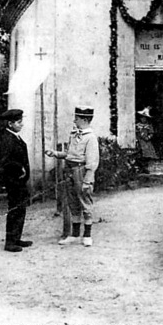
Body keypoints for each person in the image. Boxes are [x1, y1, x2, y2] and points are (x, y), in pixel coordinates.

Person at [46, 106, 99, 247]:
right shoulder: (73, 135)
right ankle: (75, 235)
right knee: (72, 202)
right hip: (70, 170)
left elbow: (92, 161)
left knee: (84, 201)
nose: (74, 120)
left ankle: (87, 235)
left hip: (81, 171)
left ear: (85, 119)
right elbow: (69, 154)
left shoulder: (90, 138)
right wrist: (55, 153)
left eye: (77, 118)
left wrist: (88, 179)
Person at [0, 108, 32, 253]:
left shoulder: (15, 137)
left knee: (20, 209)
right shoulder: (6, 139)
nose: (21, 124)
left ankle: (16, 238)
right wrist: (20, 168)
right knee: (15, 210)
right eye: (19, 122)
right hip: (13, 180)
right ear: (10, 123)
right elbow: (5, 161)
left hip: (19, 181)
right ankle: (10, 242)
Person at [135, 107, 158, 173]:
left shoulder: (149, 125)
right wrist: (138, 136)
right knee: (140, 154)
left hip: (146, 142)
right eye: (142, 117)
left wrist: (148, 137)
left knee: (147, 155)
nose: (143, 119)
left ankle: (145, 167)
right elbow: (136, 132)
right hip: (140, 141)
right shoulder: (138, 125)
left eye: (144, 118)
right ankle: (140, 167)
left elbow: (151, 133)